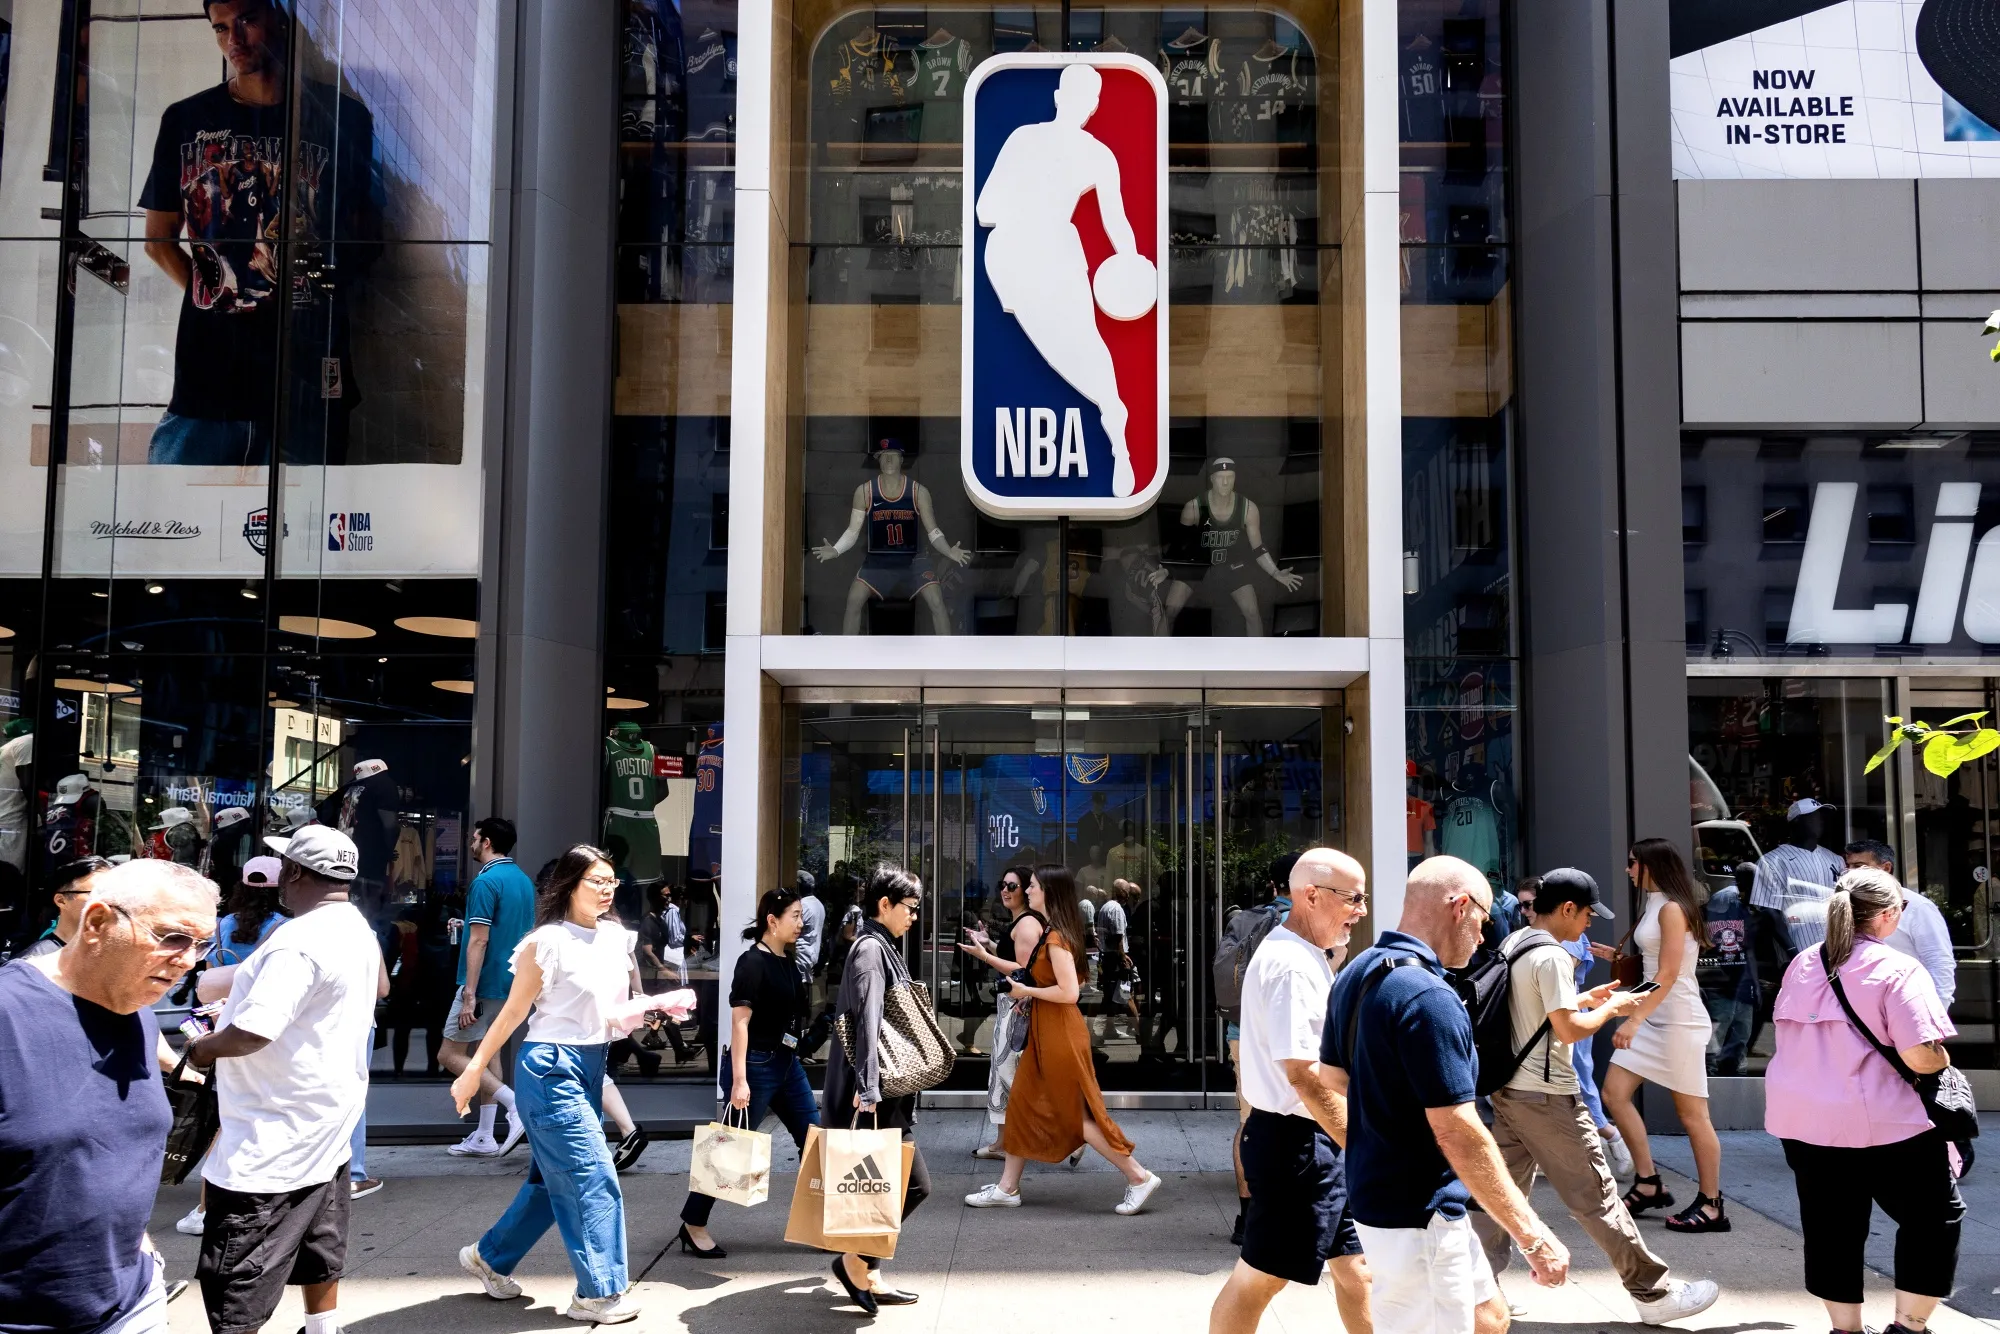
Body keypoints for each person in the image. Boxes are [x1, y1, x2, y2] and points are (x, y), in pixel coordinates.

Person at [1323, 855, 1571, 1334]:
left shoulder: (1359, 970)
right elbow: (1458, 1130)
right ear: (1459, 906)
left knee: (1490, 1317)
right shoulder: (1428, 997)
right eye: (1483, 919)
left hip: (1388, 1197)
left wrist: (1380, 1135)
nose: (1484, 935)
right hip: (1420, 1215)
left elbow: (1333, 1078)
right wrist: (1532, 1235)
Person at [1469, 868, 1719, 1323]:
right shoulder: (1552, 956)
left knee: (1497, 1194)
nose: (1589, 924)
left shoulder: (1517, 941)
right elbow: (1567, 1029)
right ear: (1567, 909)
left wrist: (1583, 999)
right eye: (1586, 915)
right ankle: (1654, 1294)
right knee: (1598, 1198)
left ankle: (1472, 1290)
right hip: (1547, 1096)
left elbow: (1533, 1010)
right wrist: (1611, 1009)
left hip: (1509, 1091)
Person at [139, 0, 375, 466]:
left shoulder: (342, 120)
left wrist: (309, 292)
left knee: (303, 528)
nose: (234, 39)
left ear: (281, 20)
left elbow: (363, 243)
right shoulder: (185, 119)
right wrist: (219, 295)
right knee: (177, 522)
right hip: (209, 379)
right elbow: (156, 240)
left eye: (246, 20)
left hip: (303, 377)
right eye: (221, 28)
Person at [0, 860, 217, 1334]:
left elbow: (108, 1150)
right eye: (173, 937)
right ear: (97, 923)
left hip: (130, 1305)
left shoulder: (134, 1008)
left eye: (202, 944)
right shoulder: (8, 1014)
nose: (189, 959)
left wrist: (138, 1246)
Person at [184, 826, 380, 1334]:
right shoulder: (357, 927)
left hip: (269, 1137)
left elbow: (253, 1031)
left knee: (236, 1277)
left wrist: (202, 1049)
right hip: (326, 1121)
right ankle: (322, 1330)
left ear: (293, 873)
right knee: (321, 1246)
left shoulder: (297, 941)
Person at [452, 845, 644, 1323]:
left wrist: (648, 1012)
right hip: (551, 1068)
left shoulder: (617, 937)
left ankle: (490, 1257)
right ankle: (598, 1294)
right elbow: (515, 1013)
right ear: (570, 884)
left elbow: (613, 1007)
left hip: (592, 1062)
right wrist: (474, 1069)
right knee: (591, 1177)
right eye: (596, 881)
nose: (606, 889)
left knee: (548, 1181)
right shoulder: (547, 941)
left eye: (611, 881)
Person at [1767, 865, 1962, 1334]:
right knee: (1934, 1217)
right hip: (1886, 1122)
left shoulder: (1802, 963)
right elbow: (1919, 1055)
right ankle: (1908, 1326)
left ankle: (1845, 1330)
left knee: (1832, 1225)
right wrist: (1943, 1062)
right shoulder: (1898, 968)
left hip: (1803, 1118)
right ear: (1889, 914)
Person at [1207, 849, 1373, 1334]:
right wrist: (1359, 1146)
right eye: (1354, 899)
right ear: (1312, 895)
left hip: (1309, 1143)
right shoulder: (1292, 967)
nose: (1361, 910)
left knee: (1358, 1271)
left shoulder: (1303, 956)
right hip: (1297, 1147)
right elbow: (1303, 1076)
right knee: (1258, 1279)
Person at [975, 62, 1146, 497]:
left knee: (1083, 344)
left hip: (1041, 251)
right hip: (1024, 255)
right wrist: (1128, 258)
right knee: (1077, 346)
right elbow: (984, 211)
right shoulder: (1082, 151)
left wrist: (1131, 262)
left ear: (1059, 98)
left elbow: (987, 208)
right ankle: (1115, 421)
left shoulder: (1033, 140)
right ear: (1091, 106)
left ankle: (1117, 431)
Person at [965, 864, 1163, 1214]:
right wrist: (989, 954)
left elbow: (1070, 992)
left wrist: (1025, 990)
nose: (1027, 891)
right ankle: (1007, 1188)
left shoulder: (1055, 937)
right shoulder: (1051, 932)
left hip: (1059, 1033)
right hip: (1048, 1031)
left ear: (1050, 893)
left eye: (1034, 887)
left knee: (1077, 1116)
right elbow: (1034, 972)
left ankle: (1138, 1176)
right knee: (1022, 1105)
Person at [678, 886, 820, 1256]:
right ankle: (693, 1225)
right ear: (772, 921)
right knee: (729, 1148)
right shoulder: (751, 962)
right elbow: (739, 1023)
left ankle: (824, 1224)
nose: (801, 924)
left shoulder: (788, 963)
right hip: (755, 1065)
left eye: (802, 917)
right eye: (795, 917)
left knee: (815, 1142)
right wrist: (739, 1080)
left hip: (787, 1064)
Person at [822, 865, 932, 1314]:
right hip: (871, 1089)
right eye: (909, 907)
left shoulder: (879, 944)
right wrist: (868, 1088)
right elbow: (866, 1021)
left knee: (885, 1185)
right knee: (914, 1185)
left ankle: (869, 1271)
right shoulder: (870, 950)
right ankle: (854, 1261)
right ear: (883, 905)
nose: (914, 916)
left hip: (878, 1086)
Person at [1606, 838, 1728, 1232]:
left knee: (1693, 1116)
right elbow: (1655, 964)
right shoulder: (1656, 902)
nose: (1628, 870)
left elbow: (1670, 973)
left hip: (1677, 1020)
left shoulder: (1673, 907)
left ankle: (1712, 1204)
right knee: (1613, 1093)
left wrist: (1634, 1019)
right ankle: (1648, 1182)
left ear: (1651, 865)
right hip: (1656, 1013)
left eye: (1632, 863)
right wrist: (1618, 960)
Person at [440, 817, 535, 1157]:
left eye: (475, 837)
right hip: (513, 982)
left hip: (485, 983)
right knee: (488, 1051)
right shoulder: (522, 881)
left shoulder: (486, 882)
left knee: (449, 1054)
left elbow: (478, 941)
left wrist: (468, 993)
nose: (471, 843)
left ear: (487, 842)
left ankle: (514, 1106)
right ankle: (484, 1136)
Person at [1221, 855, 1297, 1244]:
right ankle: (1288, 1212)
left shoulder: (1248, 919)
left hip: (1242, 1032)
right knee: (1299, 1121)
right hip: (1289, 1036)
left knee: (1249, 1123)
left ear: (1272, 884)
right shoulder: (1303, 926)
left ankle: (1247, 1218)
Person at [956, 866, 1045, 1159]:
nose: (1005, 890)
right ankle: (1002, 1142)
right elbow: (1016, 957)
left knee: (1010, 1073)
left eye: (1013, 885)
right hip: (1011, 1004)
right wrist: (989, 943)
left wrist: (986, 956)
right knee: (1002, 1072)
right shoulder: (1019, 921)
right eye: (1002, 884)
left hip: (1020, 1006)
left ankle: (1074, 1130)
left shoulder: (1028, 924)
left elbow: (1024, 971)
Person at [1845, 839, 1956, 1005]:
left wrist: (1937, 1011)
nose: (1851, 872)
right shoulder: (1845, 903)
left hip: (1906, 1002)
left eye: (1860, 866)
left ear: (1886, 868)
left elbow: (1939, 961)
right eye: (1849, 866)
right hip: (1858, 1004)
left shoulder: (1917, 906)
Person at [1750, 798, 1844, 968]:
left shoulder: (1835, 859)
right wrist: (1793, 952)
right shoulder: (1771, 862)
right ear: (1797, 821)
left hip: (1837, 952)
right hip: (1798, 952)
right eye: (1813, 817)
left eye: (1822, 816)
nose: (1820, 821)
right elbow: (1769, 913)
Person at [17, 854, 115, 958]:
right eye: (98, 893)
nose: (110, 901)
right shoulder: (33, 964)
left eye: (115, 894)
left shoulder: (117, 955)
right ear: (61, 901)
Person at [213, 855, 284, 966]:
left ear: (241, 888)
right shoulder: (286, 927)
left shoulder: (221, 924)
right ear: (281, 890)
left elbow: (210, 969)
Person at [1095, 878, 1138, 1040]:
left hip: (1109, 957)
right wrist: (1123, 958)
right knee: (1127, 995)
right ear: (1122, 892)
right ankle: (1140, 1032)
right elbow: (1118, 936)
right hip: (1116, 959)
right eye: (1127, 893)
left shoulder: (1105, 907)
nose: (1128, 896)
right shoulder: (1117, 909)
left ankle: (1109, 1028)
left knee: (1110, 997)